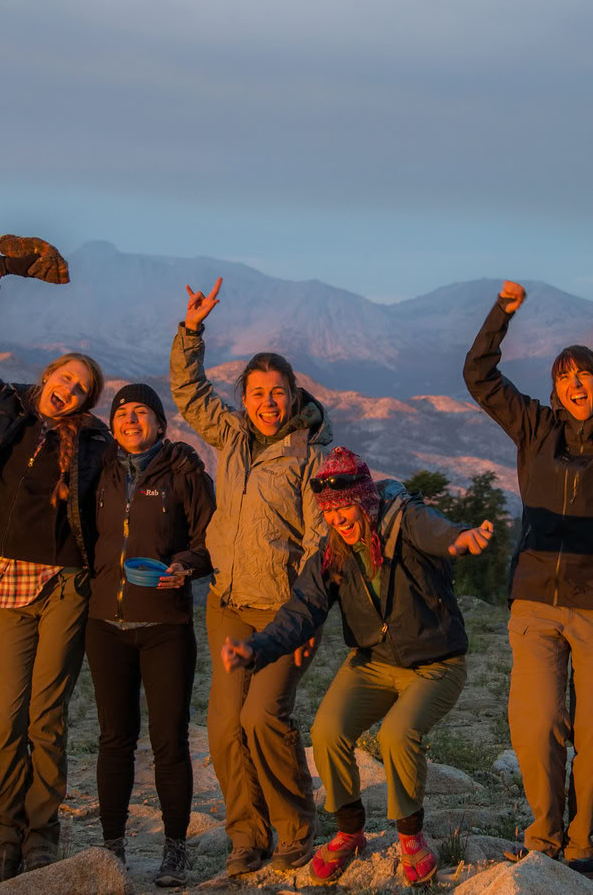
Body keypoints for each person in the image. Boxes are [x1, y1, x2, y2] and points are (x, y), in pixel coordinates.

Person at [462, 282, 593, 878]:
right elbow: (479, 375)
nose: (574, 387)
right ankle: (545, 831)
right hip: (537, 602)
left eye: (586, 376)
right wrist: (502, 312)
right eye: (564, 377)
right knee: (535, 721)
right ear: (554, 387)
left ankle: (583, 838)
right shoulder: (535, 428)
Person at [221, 447, 494, 886]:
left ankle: (410, 836)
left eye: (345, 507)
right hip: (371, 663)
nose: (338, 518)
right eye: (329, 511)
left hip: (436, 665)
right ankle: (350, 830)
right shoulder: (331, 555)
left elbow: (439, 533)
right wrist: (256, 648)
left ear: (364, 501)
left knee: (397, 734)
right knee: (327, 731)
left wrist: (462, 539)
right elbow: (300, 612)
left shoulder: (406, 522)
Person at [0, 236, 114, 889]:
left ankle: (42, 841)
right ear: (47, 379)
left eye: (81, 388)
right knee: (6, 716)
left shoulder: (94, 444)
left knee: (46, 713)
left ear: (86, 401)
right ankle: (3, 841)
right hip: (8, 583)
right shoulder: (2, 404)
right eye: (64, 378)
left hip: (65, 586)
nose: (68, 390)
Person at [170, 276, 333, 875]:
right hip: (229, 605)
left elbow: (320, 543)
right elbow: (188, 392)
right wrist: (192, 331)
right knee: (222, 729)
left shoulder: (310, 457)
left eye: (278, 392)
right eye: (258, 392)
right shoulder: (232, 435)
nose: (268, 402)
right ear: (246, 398)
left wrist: (308, 619)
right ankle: (246, 836)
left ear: (293, 396)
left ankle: (294, 828)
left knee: (262, 717)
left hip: (284, 614)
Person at [86, 382, 216, 887]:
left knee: (169, 740)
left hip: (165, 624)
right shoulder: (99, 470)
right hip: (105, 624)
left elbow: (209, 541)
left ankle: (175, 849)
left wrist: (184, 564)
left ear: (161, 424)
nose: (131, 420)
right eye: (123, 413)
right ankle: (112, 846)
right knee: (114, 739)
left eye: (142, 413)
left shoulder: (185, 472)